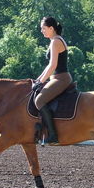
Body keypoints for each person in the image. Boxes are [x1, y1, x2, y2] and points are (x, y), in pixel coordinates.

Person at [33, 16, 73, 144]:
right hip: (56, 78)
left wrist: (41, 81)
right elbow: (48, 66)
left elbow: (53, 65)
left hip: (61, 79)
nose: (42, 31)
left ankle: (53, 135)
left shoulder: (55, 41)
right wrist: (38, 79)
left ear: (51, 28)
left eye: (44, 28)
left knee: (39, 100)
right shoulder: (54, 40)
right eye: (41, 29)